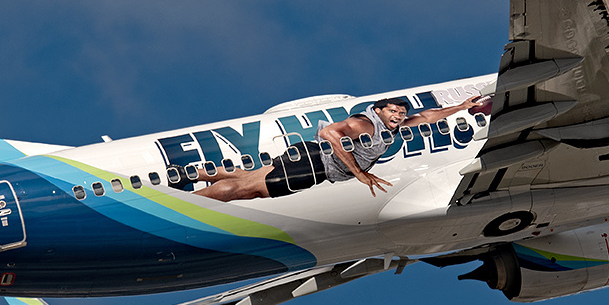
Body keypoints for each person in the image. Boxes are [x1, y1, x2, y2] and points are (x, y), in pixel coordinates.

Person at [193, 95, 493, 202]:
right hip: (315, 165)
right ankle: (187, 204)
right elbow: (328, 133)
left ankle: (190, 180)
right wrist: (358, 172)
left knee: (247, 177)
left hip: (307, 157)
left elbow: (427, 116)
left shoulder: (394, 124)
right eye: (393, 112)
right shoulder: (364, 123)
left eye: (401, 113)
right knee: (247, 190)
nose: (399, 117)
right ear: (379, 111)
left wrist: (461, 107)